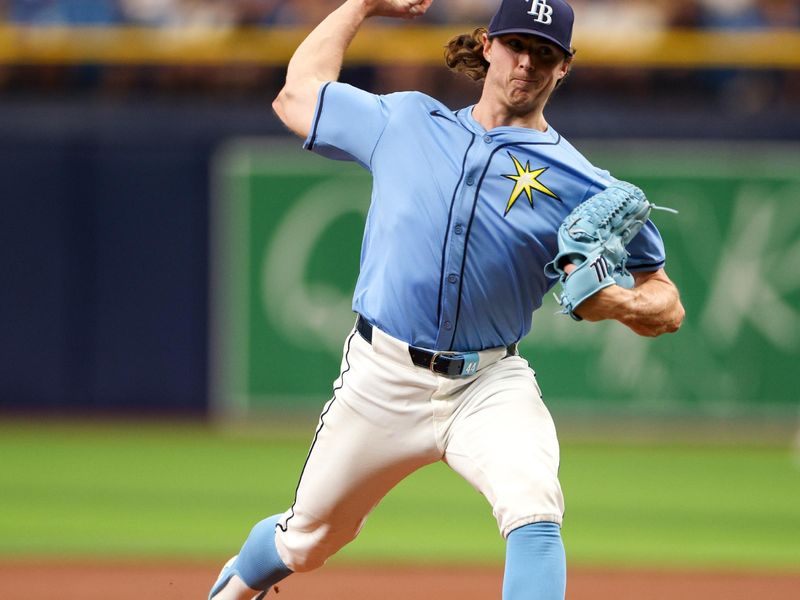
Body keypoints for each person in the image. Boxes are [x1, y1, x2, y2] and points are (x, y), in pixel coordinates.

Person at [209, 0, 685, 598]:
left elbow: (666, 303)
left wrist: (619, 302)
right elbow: (296, 94)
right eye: (517, 45)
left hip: (488, 382)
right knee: (307, 538)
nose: (527, 64)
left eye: (546, 54)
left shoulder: (586, 183)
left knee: (533, 507)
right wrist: (362, 5)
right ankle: (234, 590)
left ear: (564, 68)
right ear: (487, 45)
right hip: (381, 376)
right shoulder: (406, 122)